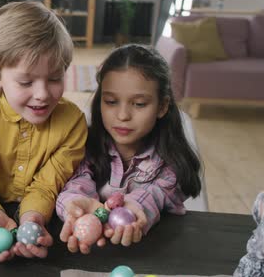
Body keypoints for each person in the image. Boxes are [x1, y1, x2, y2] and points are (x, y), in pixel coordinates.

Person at [0, 1, 88, 263]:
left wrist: (33, 218)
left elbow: (48, 186)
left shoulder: (72, 123)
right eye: (26, 82)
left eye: (55, 78)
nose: (42, 94)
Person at [56, 44, 202, 254]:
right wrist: (74, 206)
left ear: (162, 106)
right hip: (90, 254)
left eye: (139, 104)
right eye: (111, 101)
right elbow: (76, 182)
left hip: (153, 255)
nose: (123, 115)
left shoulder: (171, 162)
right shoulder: (84, 143)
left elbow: (157, 193)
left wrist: (134, 208)